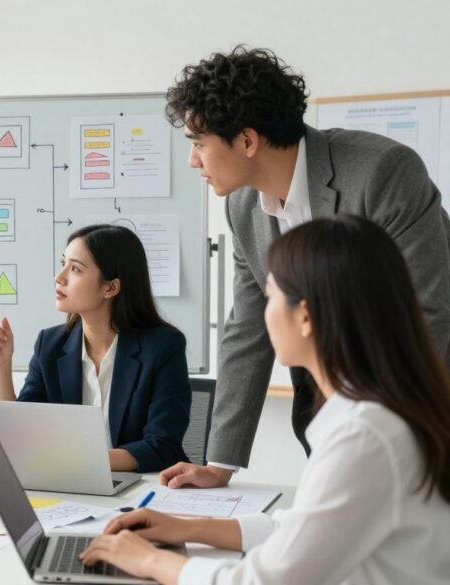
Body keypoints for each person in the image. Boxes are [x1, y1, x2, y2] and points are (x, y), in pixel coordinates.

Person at [79, 216, 450, 584]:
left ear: (305, 316)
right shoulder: (376, 412)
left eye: (269, 295)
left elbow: (262, 582)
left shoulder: (364, 435)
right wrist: (184, 527)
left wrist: (149, 562)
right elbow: (295, 531)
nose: (261, 311)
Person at [159, 46, 450, 489]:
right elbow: (247, 328)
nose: (192, 160)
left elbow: (428, 313)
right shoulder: (242, 205)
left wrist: (382, 435)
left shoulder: (381, 173)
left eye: (199, 144)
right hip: (325, 400)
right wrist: (220, 463)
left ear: (248, 141)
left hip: (420, 401)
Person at [0, 224, 191, 472]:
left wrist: (79, 461)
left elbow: (162, 446)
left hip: (139, 485)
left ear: (110, 288)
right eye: (63, 263)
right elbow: (19, 435)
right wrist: (1, 363)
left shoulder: (163, 347)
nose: (60, 277)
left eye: (75, 269)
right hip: (69, 483)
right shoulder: (51, 345)